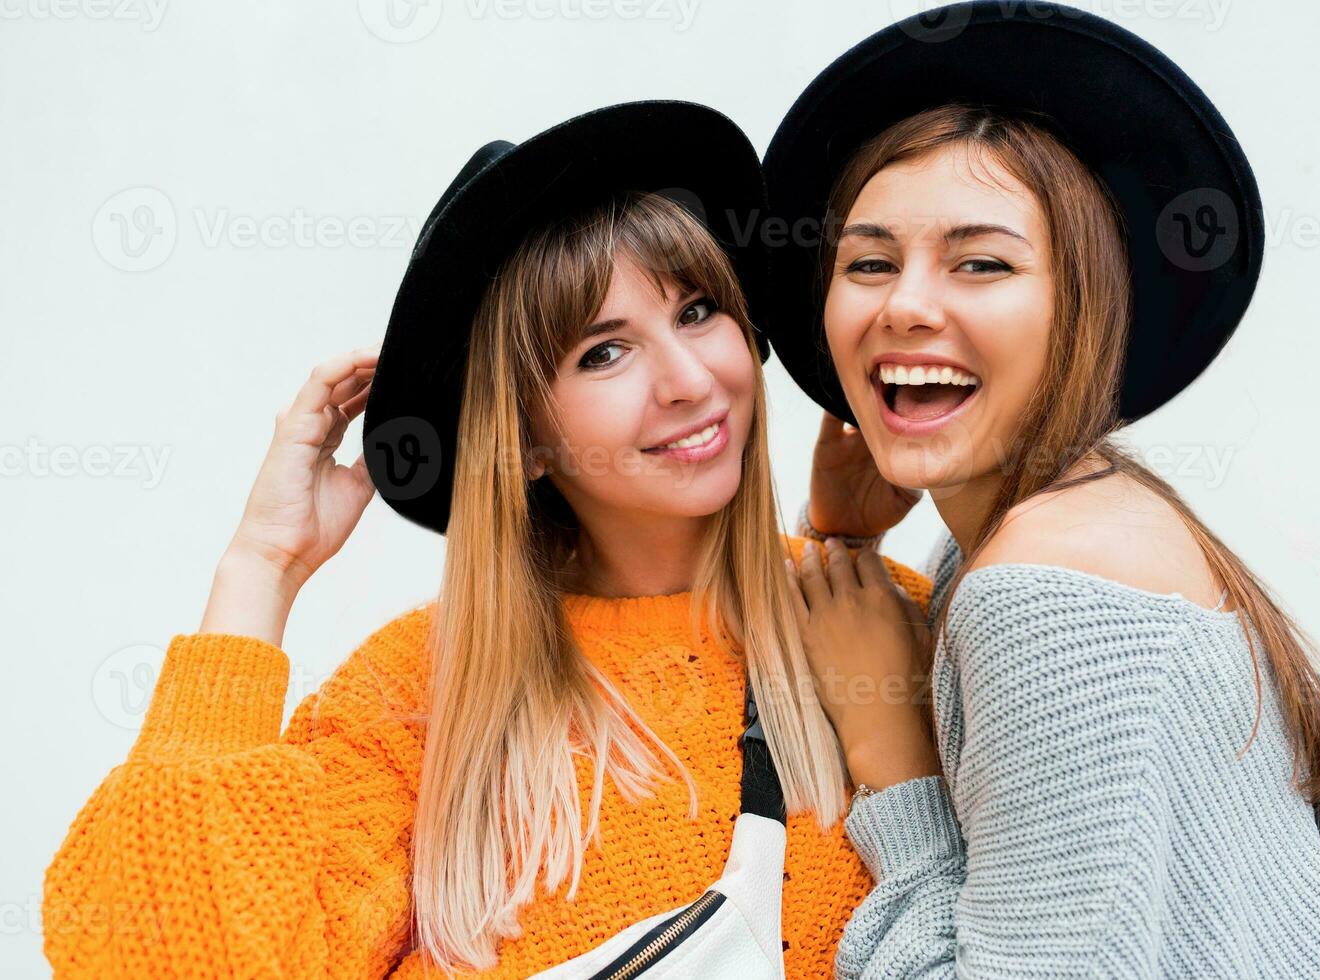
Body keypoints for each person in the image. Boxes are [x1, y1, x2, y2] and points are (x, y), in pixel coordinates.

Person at [41, 101, 932, 979]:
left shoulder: (885, 632)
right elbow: (162, 958)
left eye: (697, 311)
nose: (690, 380)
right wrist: (261, 569)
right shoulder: (420, 698)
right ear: (527, 442)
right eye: (603, 353)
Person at [766, 4, 1320, 977]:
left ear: (1084, 307)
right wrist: (839, 539)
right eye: (870, 261)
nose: (907, 303)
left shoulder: (1042, 589)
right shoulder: (1087, 519)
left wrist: (897, 761)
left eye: (982, 262)